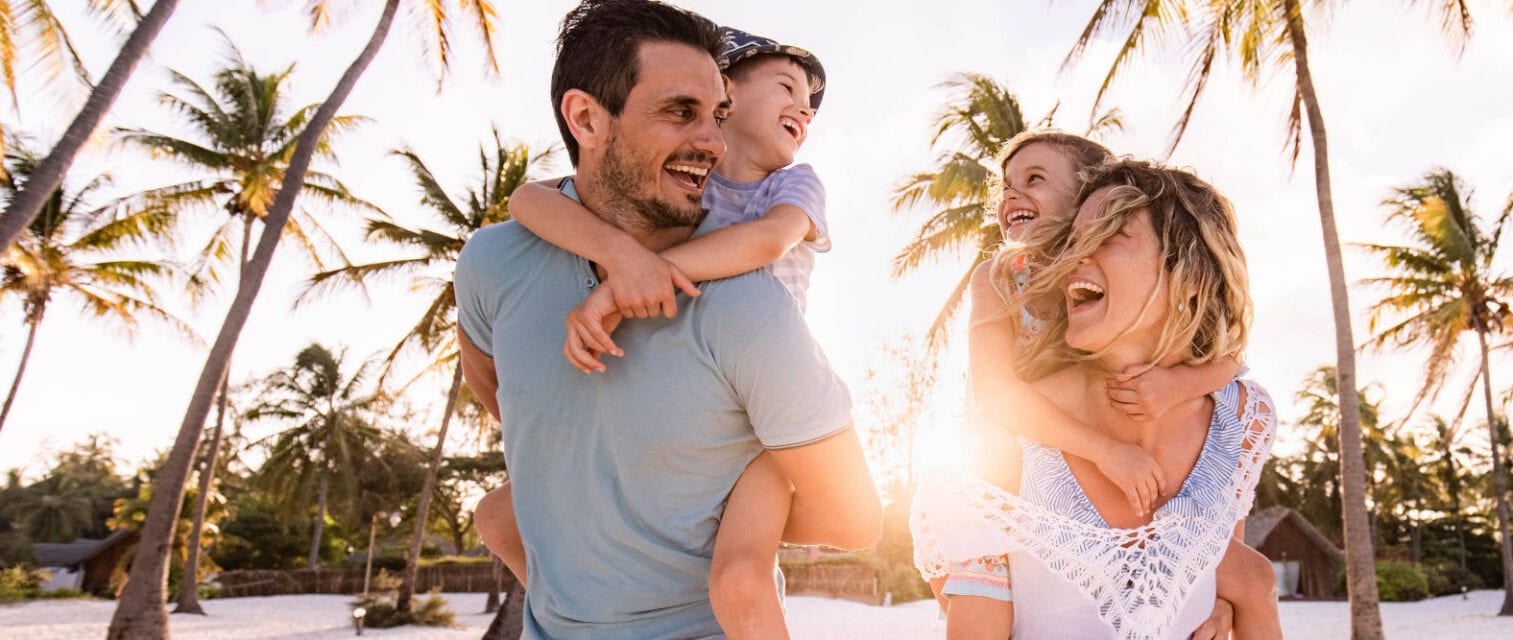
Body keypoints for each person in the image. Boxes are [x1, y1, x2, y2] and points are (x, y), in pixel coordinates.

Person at [454, 2, 879, 638]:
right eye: (681, 112)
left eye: (719, 117)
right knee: (496, 515)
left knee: (741, 578)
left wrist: (688, 498)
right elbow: (497, 390)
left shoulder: (749, 301)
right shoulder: (492, 259)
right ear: (586, 118)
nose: (711, 140)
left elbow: (854, 518)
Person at [916, 159, 1282, 639]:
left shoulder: (1241, 419)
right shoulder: (1001, 443)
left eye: (1107, 237)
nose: (1073, 260)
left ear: (1191, 277)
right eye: (1072, 242)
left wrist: (1226, 600)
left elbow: (1233, 565)